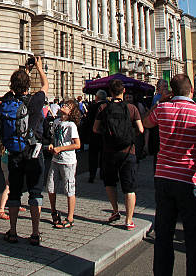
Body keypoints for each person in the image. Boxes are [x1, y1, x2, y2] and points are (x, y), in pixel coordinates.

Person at [143, 74, 196, 276]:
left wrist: (161, 100)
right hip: (189, 179)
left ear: (172, 92)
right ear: (191, 91)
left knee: (163, 234)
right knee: (193, 236)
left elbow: (146, 123)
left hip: (164, 178)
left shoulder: (162, 108)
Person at [0, 56, 48, 246]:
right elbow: (45, 85)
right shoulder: (36, 100)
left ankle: (12, 231)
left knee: (14, 193)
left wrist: (24, 72)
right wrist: (38, 67)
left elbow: (17, 86)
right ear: (28, 85)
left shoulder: (7, 100)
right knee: (35, 193)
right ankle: (35, 233)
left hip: (14, 153)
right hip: (34, 152)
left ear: (12, 85)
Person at [93, 79, 143, 229]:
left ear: (110, 92)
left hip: (109, 151)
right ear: (124, 91)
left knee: (110, 182)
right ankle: (128, 220)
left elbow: (95, 129)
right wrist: (129, 134)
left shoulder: (103, 107)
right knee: (129, 187)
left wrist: (108, 135)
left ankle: (115, 211)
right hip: (128, 152)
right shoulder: (132, 108)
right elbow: (141, 129)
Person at [47, 99, 81, 228]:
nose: (64, 106)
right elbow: (53, 138)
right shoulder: (56, 122)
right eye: (64, 104)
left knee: (69, 189)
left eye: (67, 106)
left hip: (68, 161)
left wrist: (60, 148)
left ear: (72, 112)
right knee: (51, 187)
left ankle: (70, 217)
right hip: (55, 160)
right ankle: (54, 212)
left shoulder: (71, 125)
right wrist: (52, 145)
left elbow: (77, 145)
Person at [85, 89, 107, 183]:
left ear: (97, 97)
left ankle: (92, 175)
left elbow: (88, 121)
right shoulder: (109, 106)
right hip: (105, 135)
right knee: (104, 155)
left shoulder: (92, 107)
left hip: (94, 134)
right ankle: (103, 173)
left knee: (93, 156)